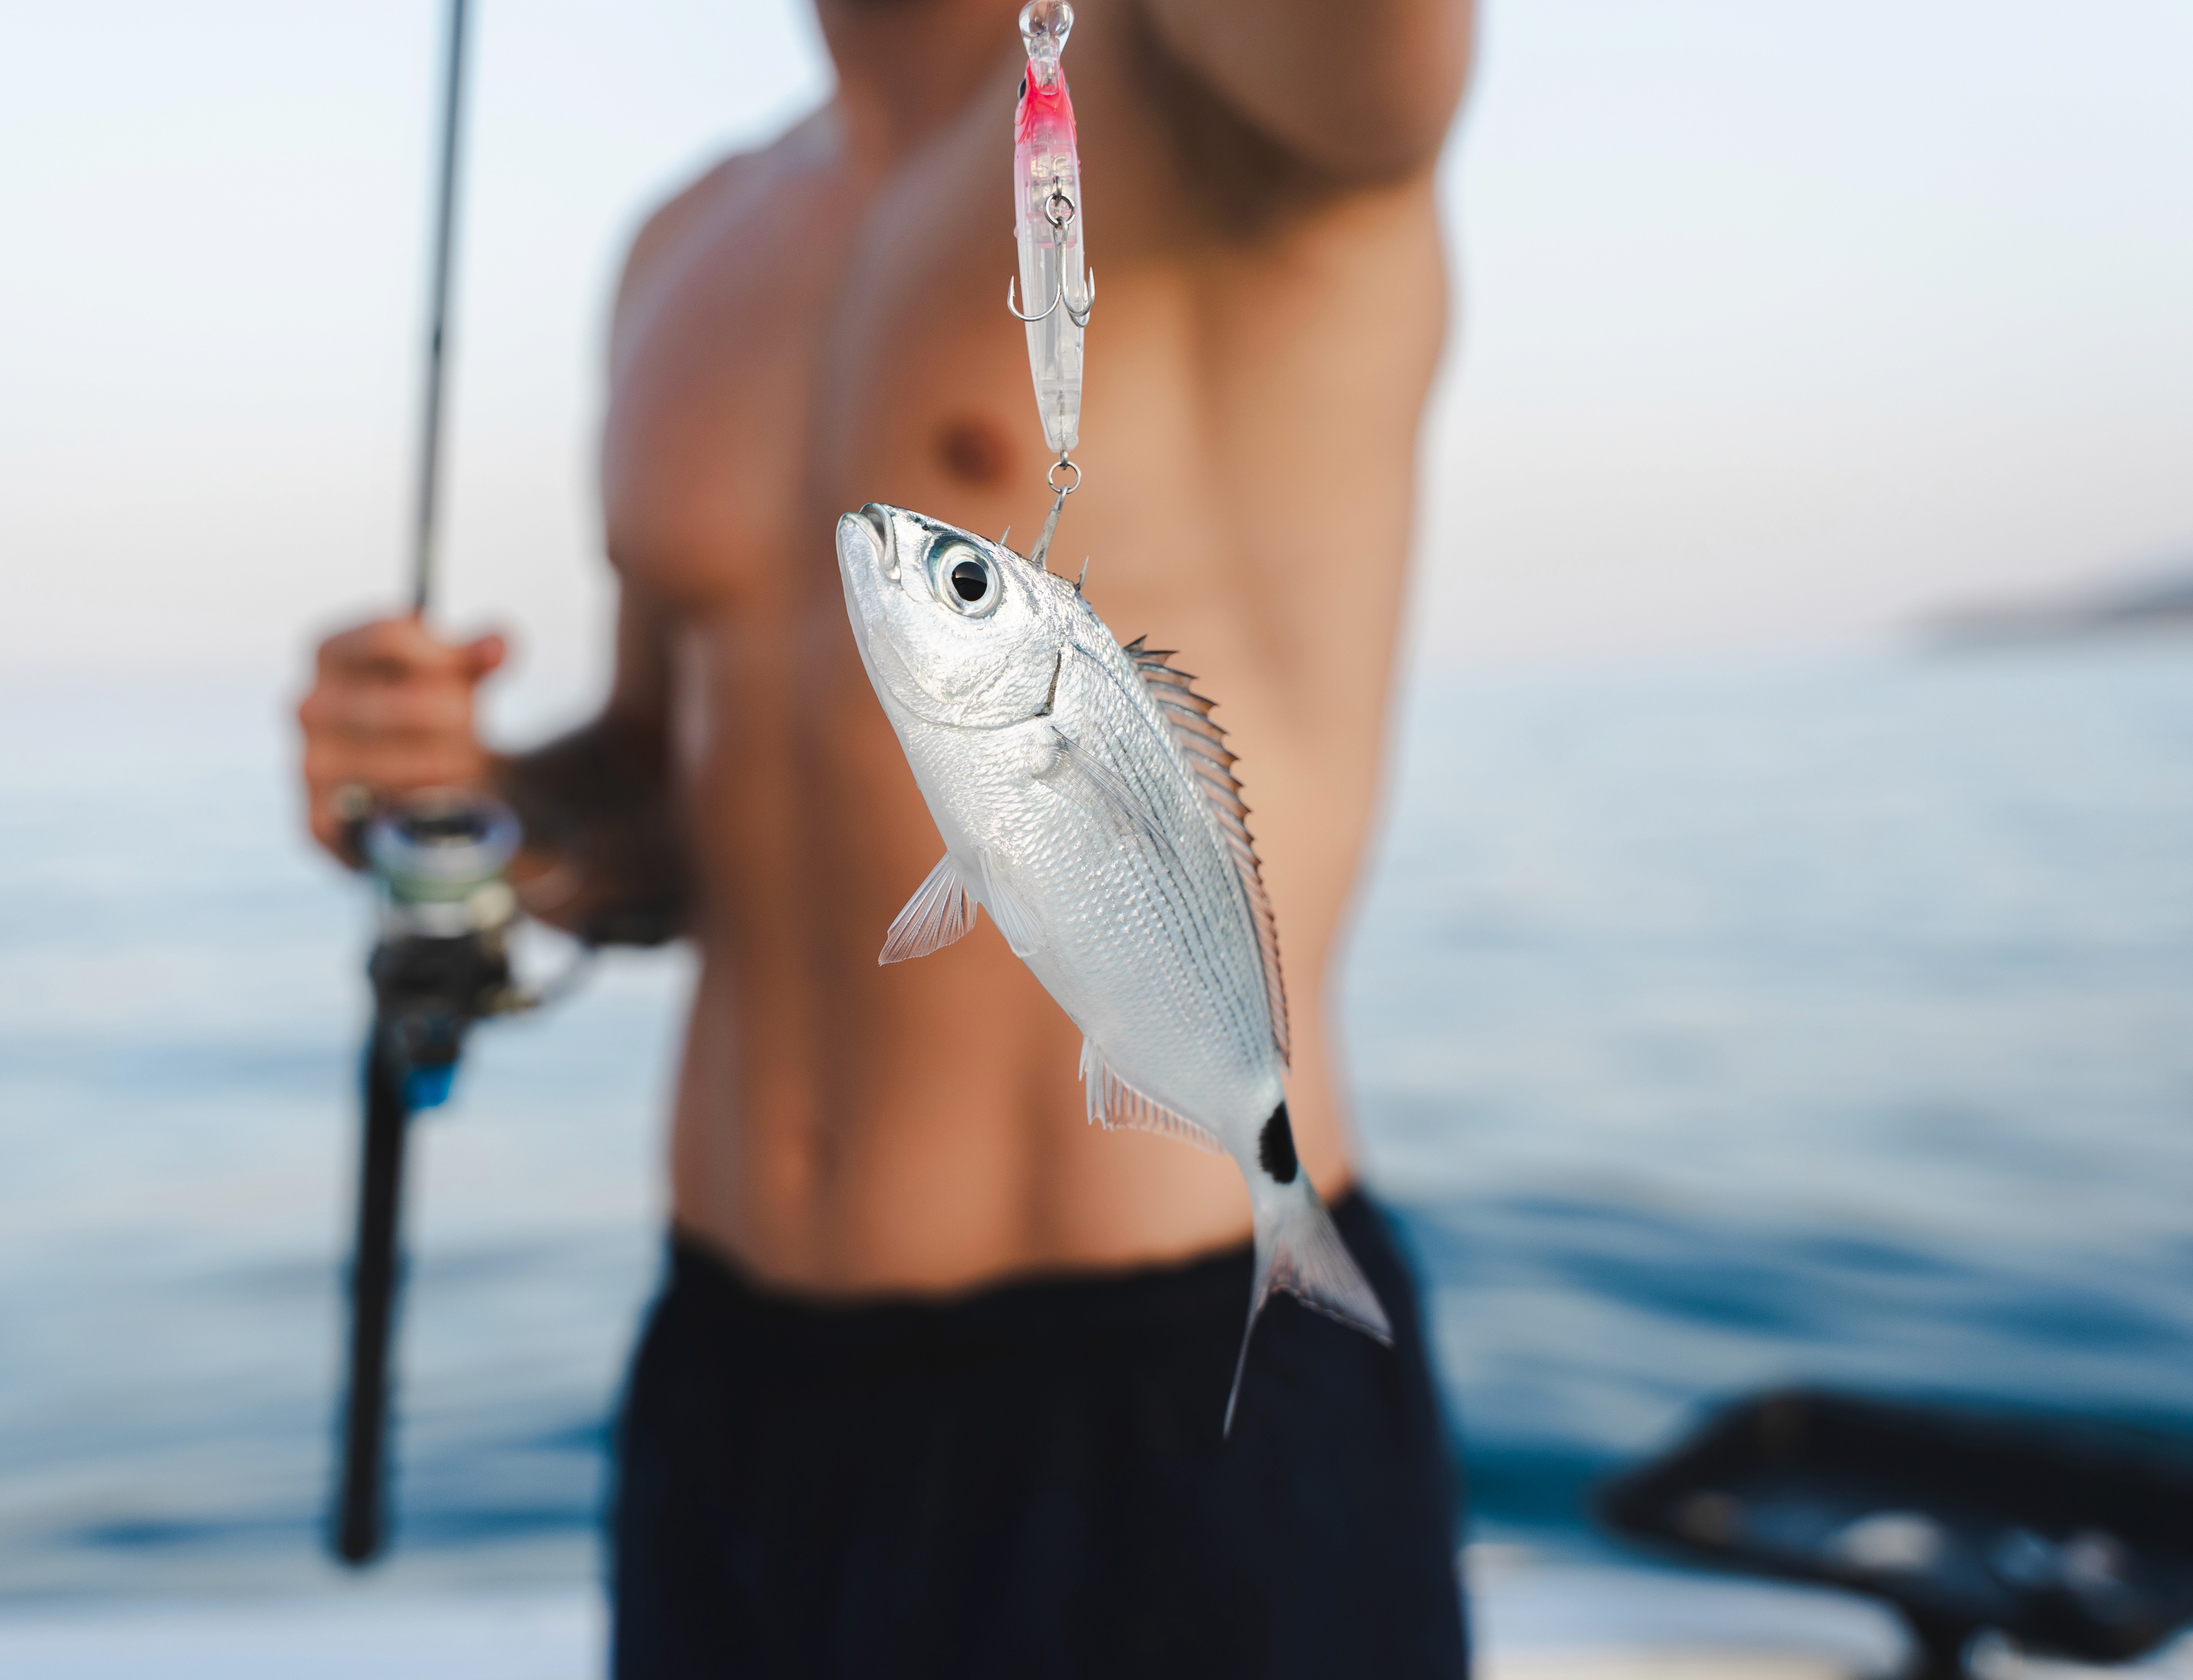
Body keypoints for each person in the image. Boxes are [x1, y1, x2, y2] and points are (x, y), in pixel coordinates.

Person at [296, 0, 1474, 1672]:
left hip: (1167, 1397)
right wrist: (474, 807)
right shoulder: (683, 248)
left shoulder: (1232, 96)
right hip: (736, 1396)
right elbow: (661, 804)